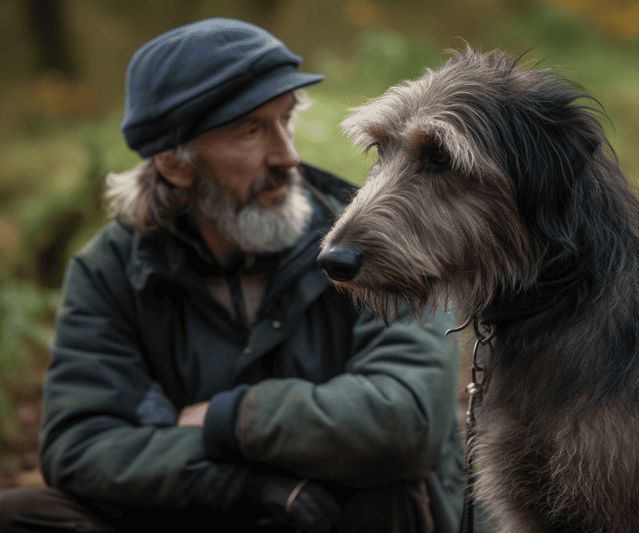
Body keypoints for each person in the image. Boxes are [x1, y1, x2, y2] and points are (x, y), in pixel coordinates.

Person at [0, 18, 464, 533]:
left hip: (340, 513)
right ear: (177, 165)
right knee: (22, 516)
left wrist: (232, 418)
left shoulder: (373, 244)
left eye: (286, 120)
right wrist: (245, 486)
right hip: (208, 511)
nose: (287, 154)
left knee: (390, 493)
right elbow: (80, 446)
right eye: (251, 131)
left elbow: (407, 419)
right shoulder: (109, 267)